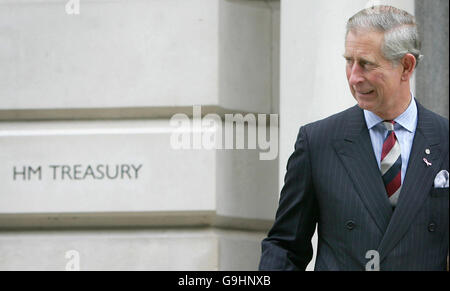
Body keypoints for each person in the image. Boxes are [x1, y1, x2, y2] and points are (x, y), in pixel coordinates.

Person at [259, 5, 449, 271]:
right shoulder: (318, 142)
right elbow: (285, 247)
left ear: (406, 66)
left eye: (367, 64)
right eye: (349, 61)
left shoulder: (444, 139)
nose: (354, 77)